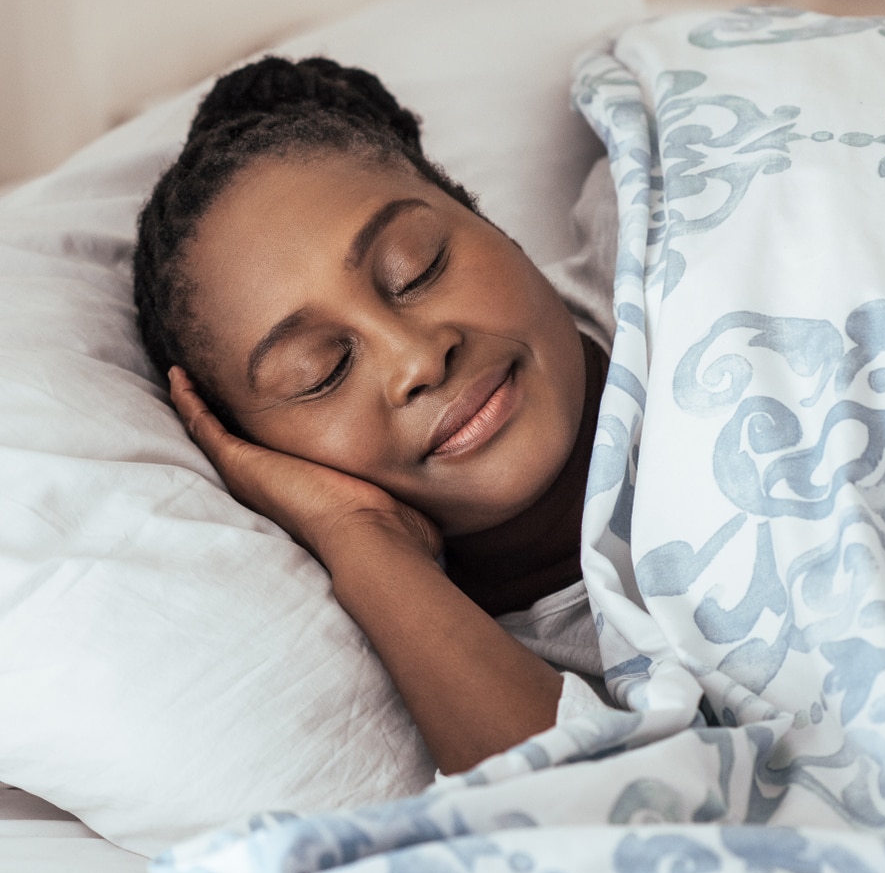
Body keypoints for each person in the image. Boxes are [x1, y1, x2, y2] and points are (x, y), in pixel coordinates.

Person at [133, 55, 616, 776]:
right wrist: (358, 537)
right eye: (320, 371)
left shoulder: (686, 231)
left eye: (415, 268)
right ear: (266, 454)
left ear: (489, 222)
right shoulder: (479, 681)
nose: (416, 359)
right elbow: (600, 830)